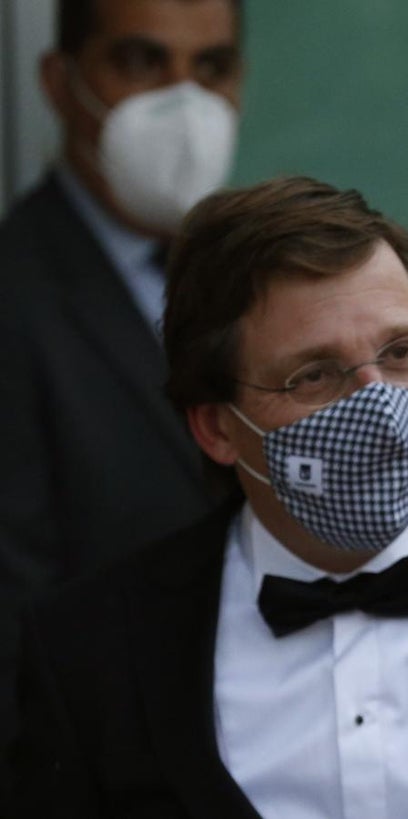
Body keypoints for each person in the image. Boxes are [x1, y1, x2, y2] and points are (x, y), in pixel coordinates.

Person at [11, 176, 408, 818]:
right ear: (217, 427)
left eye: (401, 352)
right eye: (315, 374)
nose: (377, 405)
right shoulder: (92, 651)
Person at [0, 0, 244, 772]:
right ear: (61, 80)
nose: (184, 100)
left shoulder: (260, 279)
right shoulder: (16, 294)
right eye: (141, 62)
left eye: (210, 68)